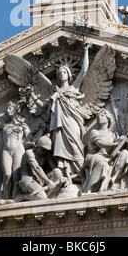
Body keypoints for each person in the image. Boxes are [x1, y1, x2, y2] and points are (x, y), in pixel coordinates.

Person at [28, 42, 90, 182]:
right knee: (60, 149)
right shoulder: (55, 92)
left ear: (69, 74)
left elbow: (84, 71)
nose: (62, 74)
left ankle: (82, 174)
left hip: (72, 122)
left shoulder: (74, 87)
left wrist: (85, 50)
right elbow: (43, 105)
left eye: (64, 72)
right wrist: (31, 94)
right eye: (60, 72)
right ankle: (66, 175)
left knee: (75, 146)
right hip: (57, 125)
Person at [83, 109, 128, 193]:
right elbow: (101, 144)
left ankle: (113, 179)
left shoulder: (113, 134)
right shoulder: (94, 132)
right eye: (98, 117)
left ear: (108, 118)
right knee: (102, 164)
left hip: (108, 157)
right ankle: (89, 189)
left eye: (102, 116)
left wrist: (125, 139)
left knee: (125, 153)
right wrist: (116, 143)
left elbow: (117, 148)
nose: (99, 118)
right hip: (95, 156)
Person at [18, 135, 65, 201]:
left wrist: (62, 177)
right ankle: (23, 196)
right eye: (43, 149)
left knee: (58, 172)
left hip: (40, 180)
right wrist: (48, 181)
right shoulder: (29, 153)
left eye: (46, 150)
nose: (45, 151)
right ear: (38, 146)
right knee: (42, 196)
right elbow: (37, 168)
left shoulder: (46, 154)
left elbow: (54, 168)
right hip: (28, 180)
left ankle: (44, 196)